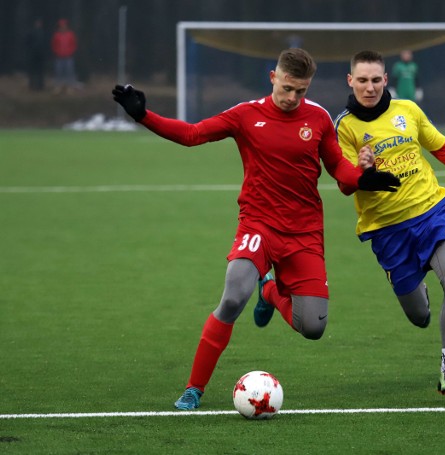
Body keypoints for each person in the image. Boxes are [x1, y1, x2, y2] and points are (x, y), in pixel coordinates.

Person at [112, 48, 401, 410]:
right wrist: (143, 116)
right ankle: (194, 389)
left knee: (312, 327)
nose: (293, 98)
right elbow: (192, 134)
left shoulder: (320, 119)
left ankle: (269, 293)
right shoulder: (245, 115)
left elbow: (338, 170)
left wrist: (364, 177)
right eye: (288, 88)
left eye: (301, 91)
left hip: (304, 232)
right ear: (273, 77)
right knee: (233, 297)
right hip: (258, 224)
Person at [334, 50, 445, 398]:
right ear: (350, 81)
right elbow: (343, 185)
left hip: (432, 212)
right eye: (362, 80)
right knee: (419, 317)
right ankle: (417, 290)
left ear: (386, 80)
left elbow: (442, 147)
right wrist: (362, 168)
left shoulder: (408, 111)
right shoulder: (343, 126)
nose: (369, 88)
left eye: (375, 80)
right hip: (387, 231)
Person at [51, 18, 78, 93]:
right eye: (61, 26)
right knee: (58, 72)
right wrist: (57, 52)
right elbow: (54, 45)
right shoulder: (56, 35)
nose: (63, 27)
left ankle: (70, 87)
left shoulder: (70, 34)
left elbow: (74, 45)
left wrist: (71, 51)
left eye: (64, 25)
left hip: (68, 56)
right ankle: (58, 87)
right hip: (59, 57)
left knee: (69, 72)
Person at [26, 18, 46, 91]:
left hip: (40, 55)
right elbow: (27, 42)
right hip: (33, 54)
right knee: (32, 71)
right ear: (35, 24)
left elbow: (45, 44)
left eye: (40, 23)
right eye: (38, 23)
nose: (39, 24)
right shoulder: (31, 32)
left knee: (40, 71)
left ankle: (40, 86)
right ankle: (31, 85)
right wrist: (30, 51)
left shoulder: (43, 32)